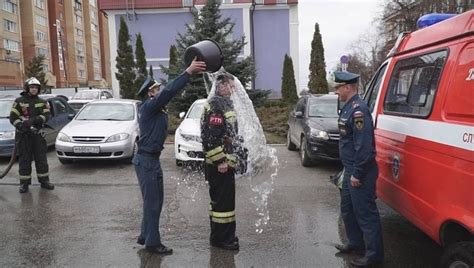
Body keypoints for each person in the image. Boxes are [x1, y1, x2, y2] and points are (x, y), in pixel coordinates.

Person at [133, 58, 206, 255]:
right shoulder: (148, 107)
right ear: (150, 93)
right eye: (156, 89)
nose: (159, 90)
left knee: (154, 201)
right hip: (146, 160)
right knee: (153, 202)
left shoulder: (155, 109)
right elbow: (168, 93)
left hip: (151, 159)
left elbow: (166, 96)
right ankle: (152, 243)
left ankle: (144, 235)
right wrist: (188, 72)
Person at [333, 71, 384, 266]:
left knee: (365, 213)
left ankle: (374, 256)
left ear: (348, 87)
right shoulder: (348, 108)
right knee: (347, 209)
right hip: (350, 169)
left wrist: (358, 173)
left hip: (360, 171)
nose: (336, 91)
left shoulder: (358, 110)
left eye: (338, 88)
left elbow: (364, 147)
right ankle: (355, 244)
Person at [201, 74, 240, 251]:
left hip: (225, 163)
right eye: (231, 86)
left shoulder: (224, 103)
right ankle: (221, 239)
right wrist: (220, 161)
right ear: (221, 86)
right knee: (222, 205)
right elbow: (211, 137)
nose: (234, 90)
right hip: (219, 166)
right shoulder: (216, 104)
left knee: (224, 202)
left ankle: (225, 235)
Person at [9, 77, 54, 194]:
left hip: (37, 135)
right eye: (32, 87)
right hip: (23, 136)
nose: (34, 89)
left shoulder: (42, 102)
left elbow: (47, 115)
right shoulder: (19, 101)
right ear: (27, 88)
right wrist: (22, 126)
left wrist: (34, 120)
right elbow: (13, 118)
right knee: (24, 160)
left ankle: (44, 181)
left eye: (36, 88)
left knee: (41, 159)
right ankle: (24, 184)